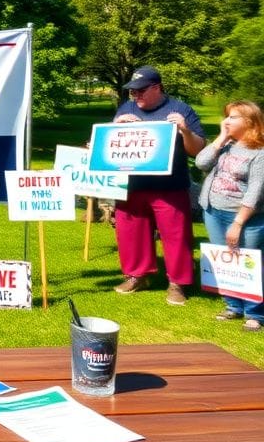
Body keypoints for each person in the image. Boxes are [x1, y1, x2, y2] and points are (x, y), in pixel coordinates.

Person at [111, 66, 206, 305]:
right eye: (132, 92)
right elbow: (111, 146)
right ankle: (137, 276)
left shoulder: (180, 109)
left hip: (170, 186)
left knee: (176, 236)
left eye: (141, 91)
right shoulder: (127, 109)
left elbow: (198, 150)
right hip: (131, 186)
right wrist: (116, 126)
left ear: (157, 87)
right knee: (130, 233)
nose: (136, 97)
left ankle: (178, 283)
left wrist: (184, 130)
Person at [196, 100, 264, 331]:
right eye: (226, 116)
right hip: (214, 211)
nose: (226, 121)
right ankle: (232, 306)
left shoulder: (260, 152)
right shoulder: (226, 145)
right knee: (224, 260)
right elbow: (201, 163)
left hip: (245, 218)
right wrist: (221, 138)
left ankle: (255, 313)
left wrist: (238, 223)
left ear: (250, 122)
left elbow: (255, 191)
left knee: (249, 263)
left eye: (233, 117)